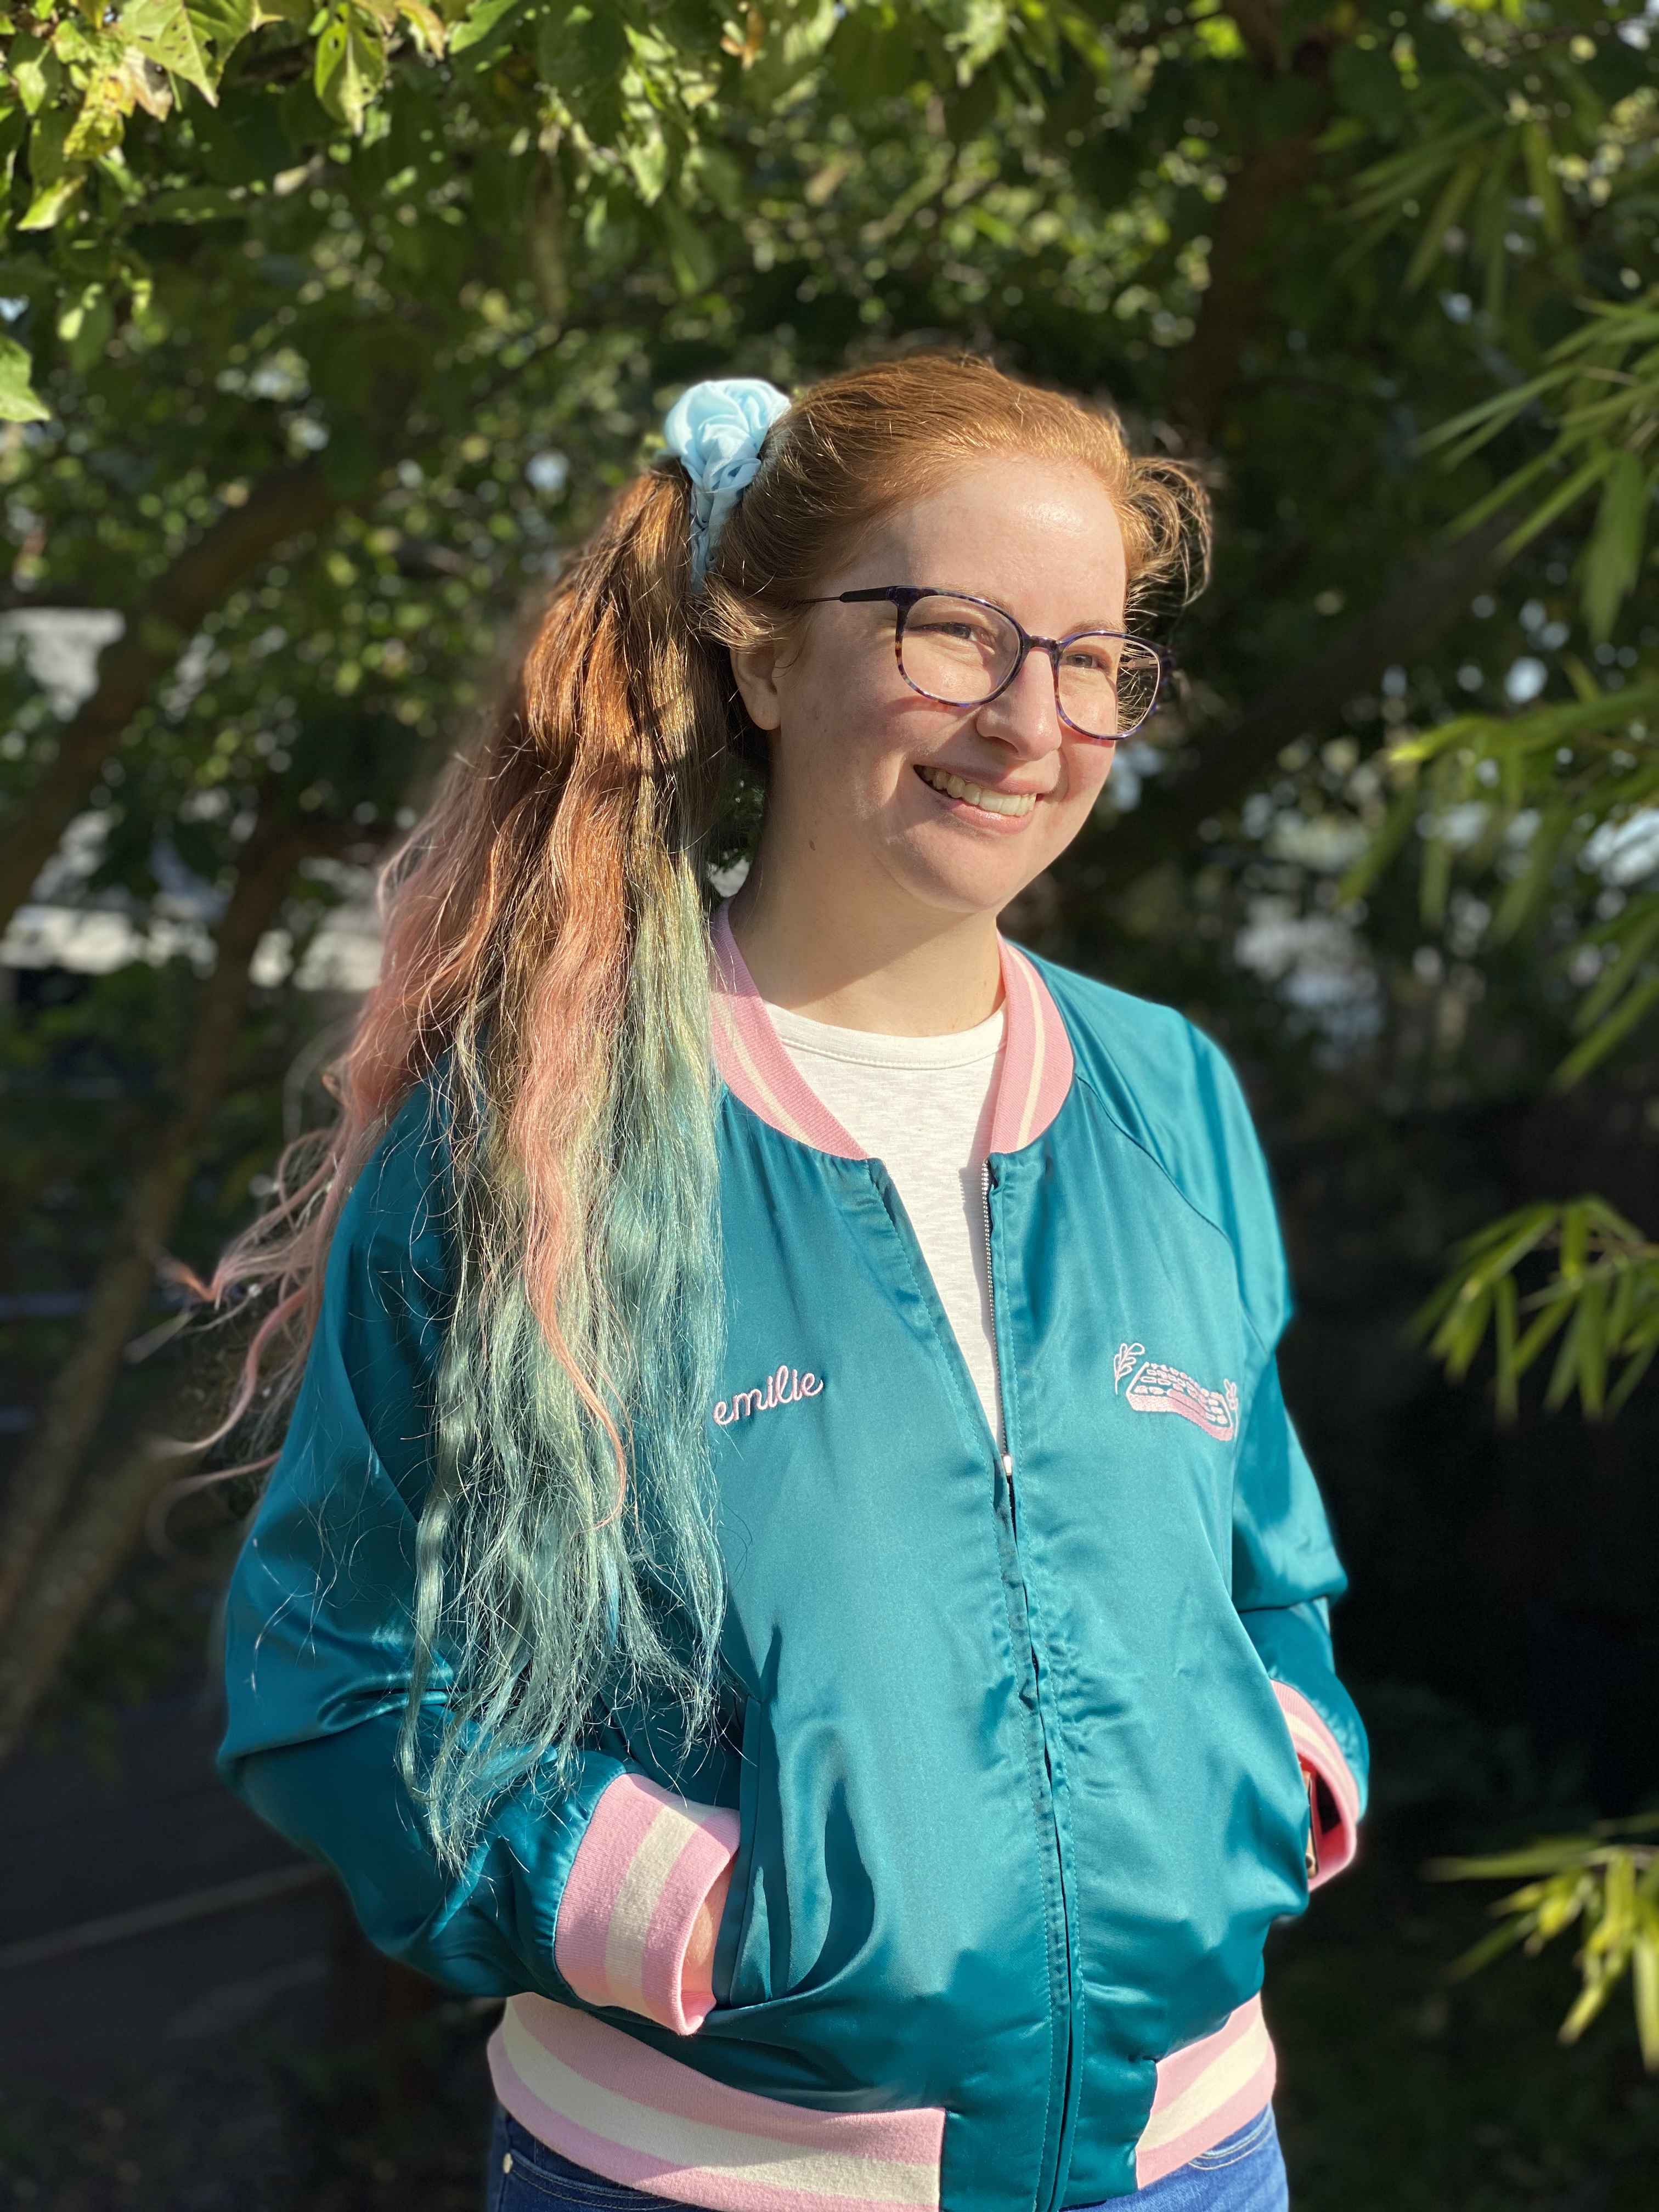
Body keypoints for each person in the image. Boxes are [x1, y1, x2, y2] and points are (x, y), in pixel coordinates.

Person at [212, 356, 1367, 2212]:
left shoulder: (1171, 1096)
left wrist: (1279, 1771)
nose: (1027, 720)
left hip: (1199, 2162)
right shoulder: (535, 1138)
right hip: (714, 2177)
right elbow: (332, 1683)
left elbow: (1266, 1571)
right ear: (761, 654)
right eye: (949, 633)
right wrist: (682, 1908)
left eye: (1088, 658)